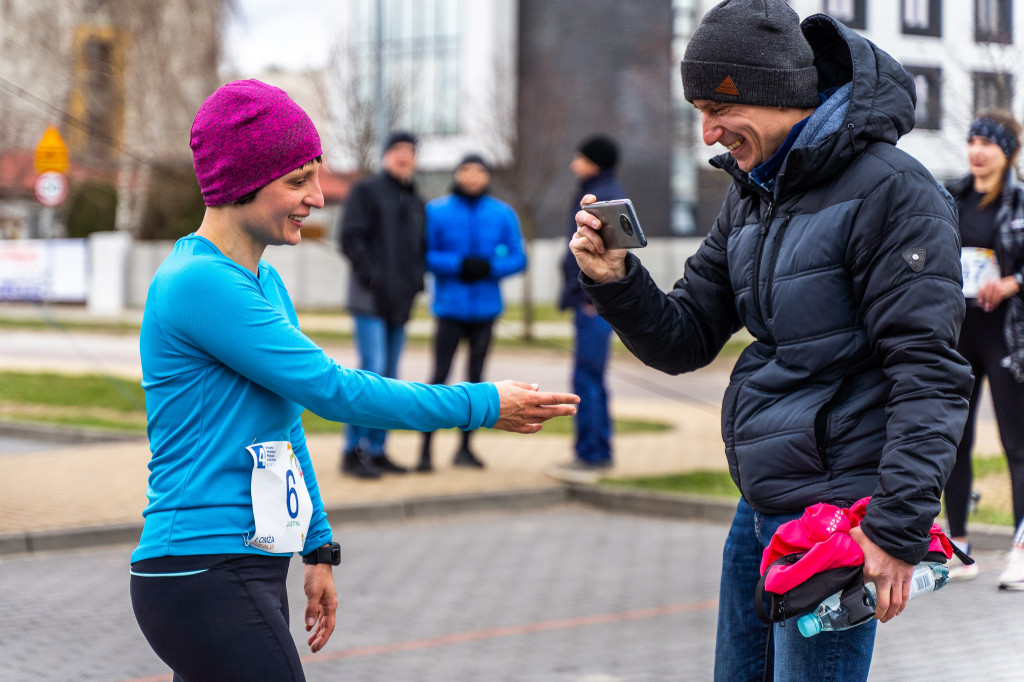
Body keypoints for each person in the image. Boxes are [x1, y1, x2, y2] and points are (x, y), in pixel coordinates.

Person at [570, 4, 972, 681]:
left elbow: (929, 373)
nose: (708, 133)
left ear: (773, 90)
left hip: (841, 521)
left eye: (715, 108)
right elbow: (685, 337)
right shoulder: (753, 196)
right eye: (697, 111)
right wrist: (616, 281)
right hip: (761, 511)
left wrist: (897, 529)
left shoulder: (895, 193)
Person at [129, 79, 579, 681]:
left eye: (316, 176)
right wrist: (481, 403)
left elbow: (287, 423)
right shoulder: (198, 282)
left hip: (246, 562)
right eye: (297, 181)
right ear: (240, 183)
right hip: (201, 566)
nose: (317, 197)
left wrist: (317, 547)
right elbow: (333, 390)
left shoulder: (263, 282)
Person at [942, 112, 1024, 583]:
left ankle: (1020, 547)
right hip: (959, 335)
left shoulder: (1018, 201)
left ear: (1007, 151)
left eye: (987, 143)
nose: (976, 150)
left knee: (1016, 445)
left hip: (1009, 339)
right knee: (955, 441)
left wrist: (1013, 282)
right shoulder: (950, 196)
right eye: (972, 141)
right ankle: (958, 546)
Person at [417, 154, 527, 471]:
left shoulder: (503, 213)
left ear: (487, 176)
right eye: (466, 170)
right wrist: (458, 265)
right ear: (457, 174)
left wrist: (490, 267)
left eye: (479, 170)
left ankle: (464, 449)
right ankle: (425, 452)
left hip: (486, 311)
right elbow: (424, 254)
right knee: (439, 379)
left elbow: (520, 258)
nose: (472, 176)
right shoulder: (436, 211)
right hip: (449, 309)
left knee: (477, 381)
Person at [338, 130, 426, 478]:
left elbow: (420, 249)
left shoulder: (417, 200)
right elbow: (349, 237)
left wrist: (415, 283)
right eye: (397, 150)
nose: (403, 156)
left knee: (390, 379)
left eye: (410, 151)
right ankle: (351, 451)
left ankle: (377, 450)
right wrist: (372, 276)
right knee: (370, 373)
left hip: (400, 302)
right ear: (385, 155)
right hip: (369, 298)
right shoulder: (366, 191)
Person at [548, 135, 627, 484]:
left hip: (593, 302)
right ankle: (595, 450)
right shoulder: (596, 190)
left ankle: (592, 453)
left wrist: (593, 296)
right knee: (590, 378)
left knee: (587, 379)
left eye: (579, 157)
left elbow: (603, 254)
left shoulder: (600, 197)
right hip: (590, 299)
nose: (573, 163)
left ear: (594, 161)